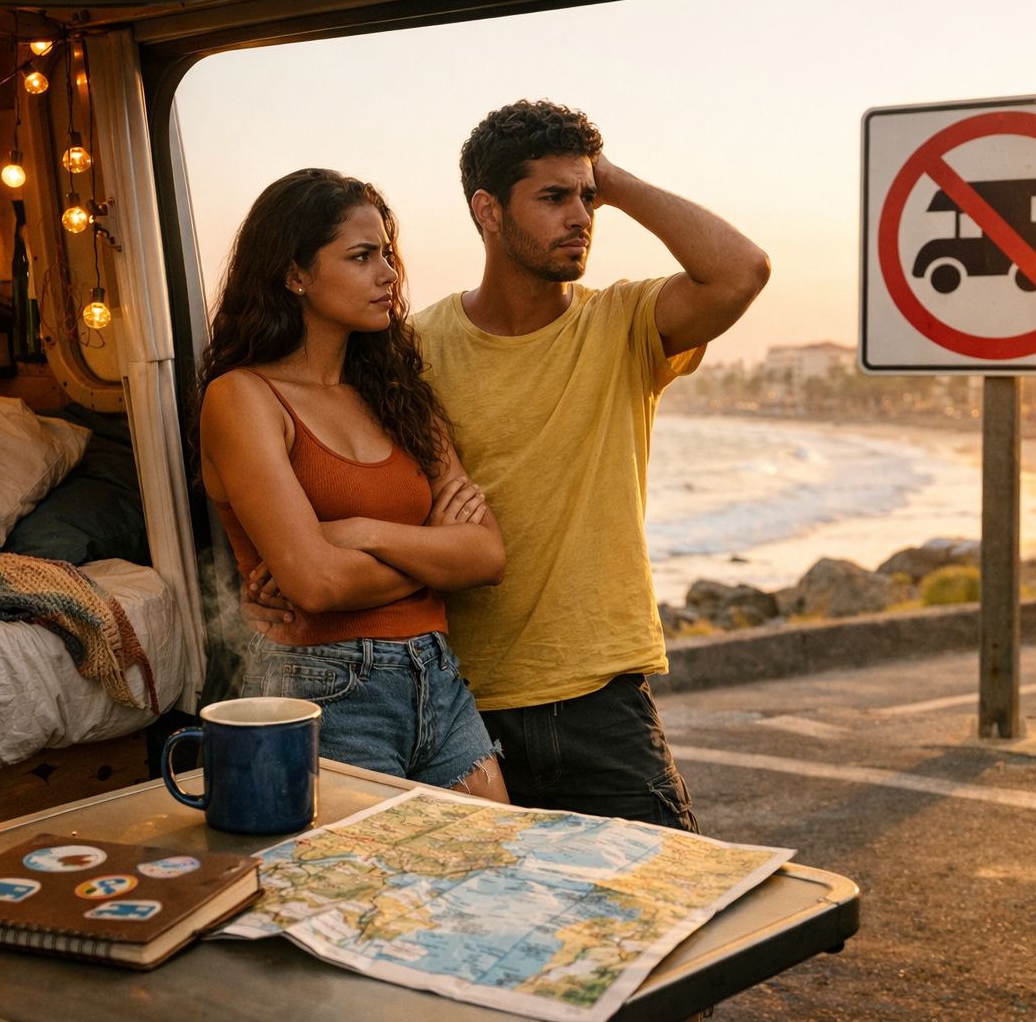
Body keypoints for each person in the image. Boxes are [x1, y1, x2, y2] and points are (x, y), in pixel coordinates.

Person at [244, 101, 768, 830]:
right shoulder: (410, 352)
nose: (581, 215)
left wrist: (602, 171)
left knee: (657, 918)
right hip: (453, 694)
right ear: (487, 211)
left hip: (599, 695)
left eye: (587, 198)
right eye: (554, 198)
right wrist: (274, 578)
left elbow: (741, 271)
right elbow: (328, 477)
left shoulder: (624, 325)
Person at [199, 167, 507, 801]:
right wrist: (433, 552)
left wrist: (361, 532)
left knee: (489, 878)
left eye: (387, 255)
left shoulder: (397, 395)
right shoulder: (243, 399)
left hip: (439, 678)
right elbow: (317, 583)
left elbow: (487, 556)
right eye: (362, 257)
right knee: (369, 895)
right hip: (321, 686)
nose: (389, 274)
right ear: (295, 274)